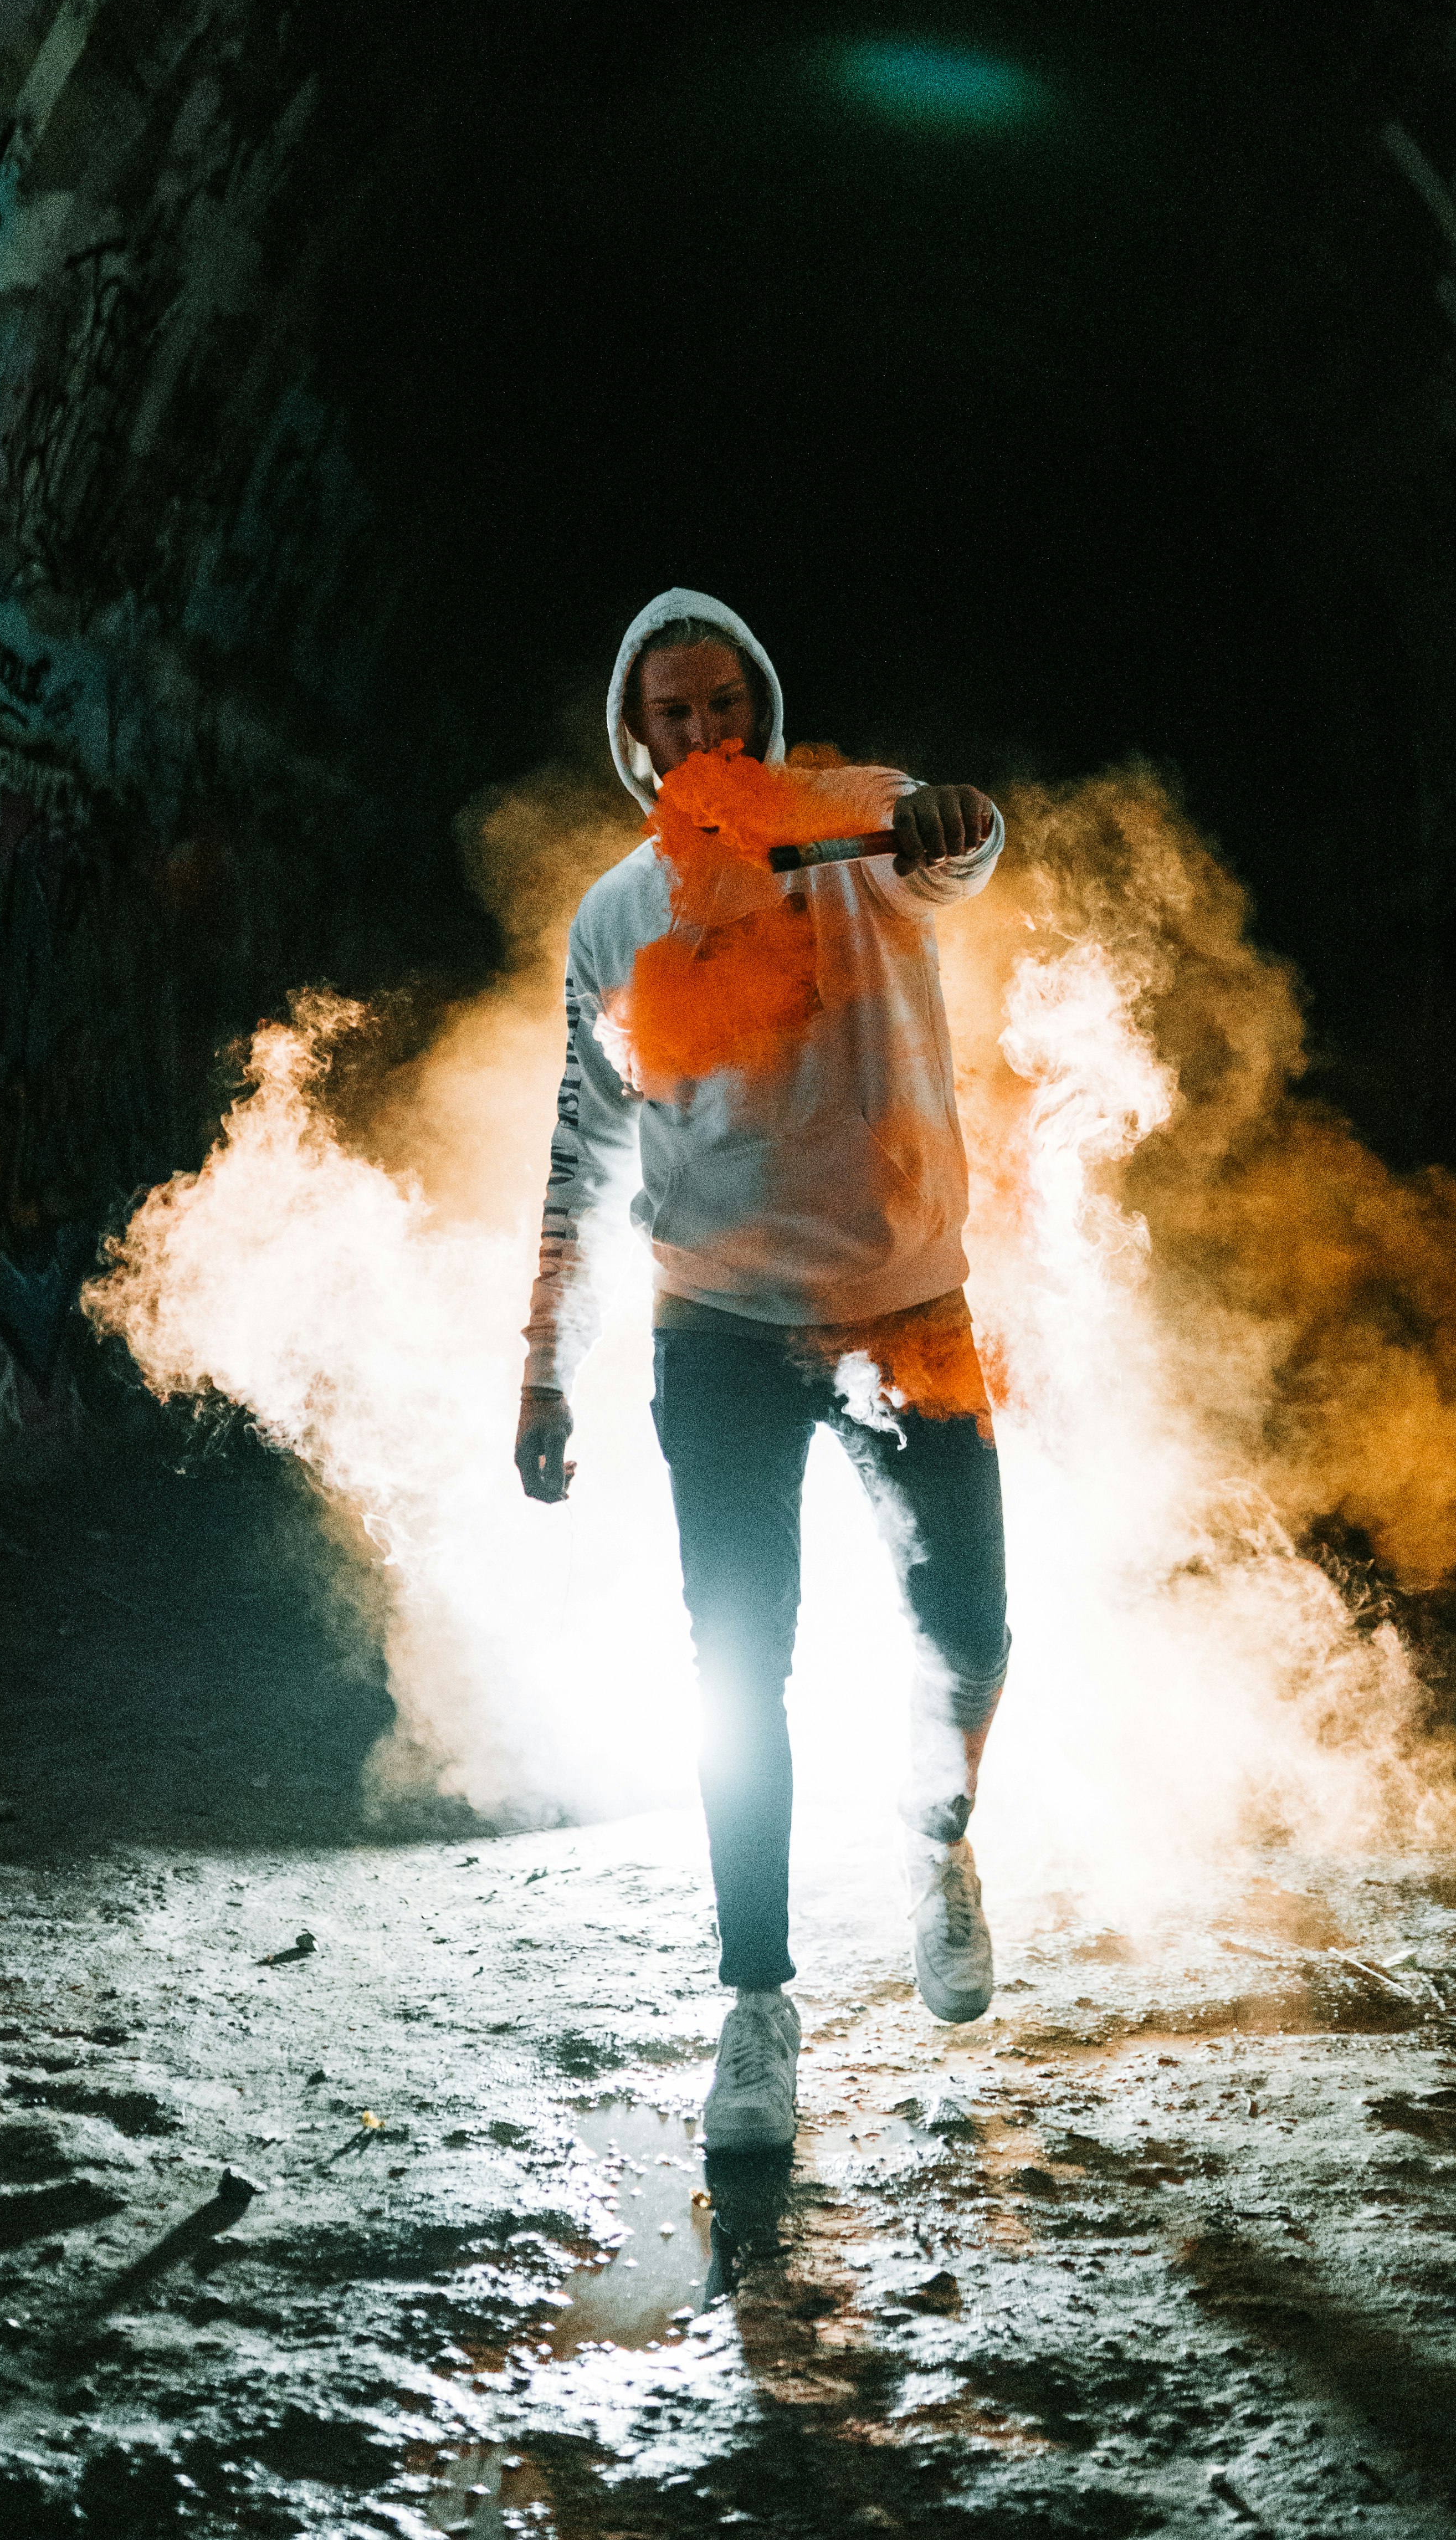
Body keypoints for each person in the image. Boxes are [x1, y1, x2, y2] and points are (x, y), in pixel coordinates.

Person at [513, 587, 1011, 2152]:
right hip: (712, 1334)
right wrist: (541, 1367)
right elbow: (585, 1145)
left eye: (724, 704)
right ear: (633, 738)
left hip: (906, 1314)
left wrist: (958, 821)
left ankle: (937, 1845)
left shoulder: (861, 833)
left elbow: (961, 846)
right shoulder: (616, 915)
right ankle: (756, 2008)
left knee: (969, 1631)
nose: (704, 732)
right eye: (673, 713)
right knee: (739, 1666)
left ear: (762, 710)